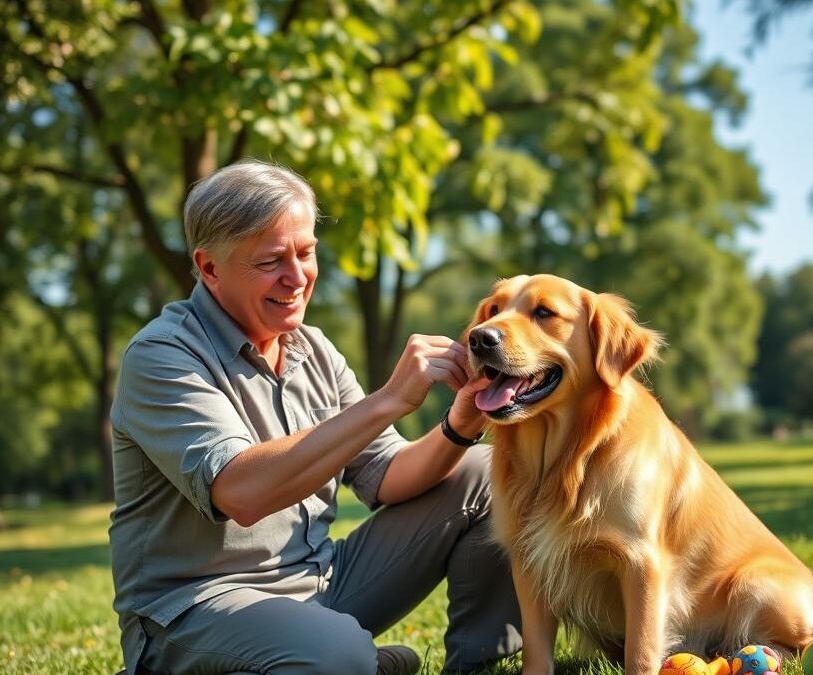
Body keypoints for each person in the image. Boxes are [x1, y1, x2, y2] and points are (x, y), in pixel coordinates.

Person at [108, 160, 522, 675]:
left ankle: (476, 665)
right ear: (210, 268)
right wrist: (388, 399)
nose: (298, 276)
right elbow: (240, 492)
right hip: (196, 611)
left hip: (324, 583)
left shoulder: (314, 349)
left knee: (487, 471)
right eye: (270, 262)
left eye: (306, 253)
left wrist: (461, 426)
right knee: (334, 654)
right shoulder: (162, 356)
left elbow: (389, 476)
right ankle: (344, 660)